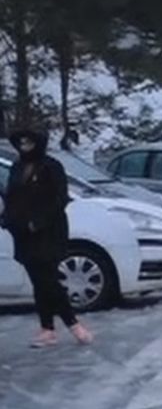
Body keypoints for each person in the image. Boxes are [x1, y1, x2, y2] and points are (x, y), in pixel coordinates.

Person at [2, 128, 92, 347]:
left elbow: (60, 199)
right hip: (23, 232)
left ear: (38, 144)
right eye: (21, 143)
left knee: (48, 279)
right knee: (38, 281)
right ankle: (47, 328)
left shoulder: (51, 167)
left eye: (29, 142)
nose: (24, 146)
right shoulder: (17, 167)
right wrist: (7, 218)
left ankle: (73, 325)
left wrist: (39, 221)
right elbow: (12, 197)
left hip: (48, 232)